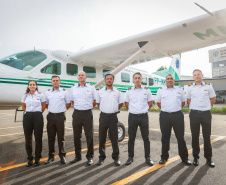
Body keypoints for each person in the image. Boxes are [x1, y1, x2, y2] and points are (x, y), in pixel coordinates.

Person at [156, 74, 191, 165]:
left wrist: (174, 109)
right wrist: (167, 110)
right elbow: (158, 103)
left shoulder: (179, 90)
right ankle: (164, 157)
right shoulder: (160, 90)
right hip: (164, 116)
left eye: (171, 79)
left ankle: (184, 158)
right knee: (165, 137)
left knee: (180, 137)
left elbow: (183, 102)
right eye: (168, 79)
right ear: (165, 81)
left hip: (177, 115)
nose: (169, 80)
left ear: (174, 81)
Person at [187, 69, 216, 167]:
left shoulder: (208, 86)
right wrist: (196, 108)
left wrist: (204, 107)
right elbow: (188, 100)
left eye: (198, 74)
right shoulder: (190, 88)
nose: (197, 76)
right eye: (195, 75)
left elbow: (212, 99)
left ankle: (209, 158)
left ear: (202, 75)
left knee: (207, 137)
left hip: (206, 114)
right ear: (193, 77)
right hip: (194, 114)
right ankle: (195, 157)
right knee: (194, 137)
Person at [124, 72, 154, 166]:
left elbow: (150, 103)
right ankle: (130, 157)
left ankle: (148, 157)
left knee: (146, 138)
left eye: (139, 78)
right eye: (135, 78)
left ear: (141, 79)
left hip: (143, 116)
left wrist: (143, 110)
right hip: (132, 116)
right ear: (133, 79)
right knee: (131, 138)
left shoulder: (146, 90)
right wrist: (134, 110)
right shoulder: (129, 91)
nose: (137, 79)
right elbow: (126, 103)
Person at [96, 74, 124, 166]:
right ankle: (101, 157)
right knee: (102, 138)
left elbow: (120, 104)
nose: (109, 80)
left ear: (113, 81)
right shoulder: (100, 92)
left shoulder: (117, 92)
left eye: (110, 79)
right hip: (103, 116)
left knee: (114, 138)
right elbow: (98, 103)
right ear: (105, 80)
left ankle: (116, 157)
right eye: (107, 79)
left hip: (113, 117)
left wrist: (113, 109)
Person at [70, 71, 96, 165]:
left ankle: (90, 157)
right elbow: (72, 101)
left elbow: (94, 101)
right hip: (77, 114)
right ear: (77, 77)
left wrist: (87, 108)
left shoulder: (91, 87)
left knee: (89, 136)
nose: (81, 76)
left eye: (82, 75)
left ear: (86, 77)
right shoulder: (73, 88)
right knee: (77, 136)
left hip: (87, 114)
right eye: (79, 75)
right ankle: (78, 156)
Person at [44, 76, 71, 165]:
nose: (55, 82)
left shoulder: (64, 92)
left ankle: (62, 156)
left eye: (57, 81)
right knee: (51, 137)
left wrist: (62, 110)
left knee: (61, 137)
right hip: (51, 116)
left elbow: (68, 103)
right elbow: (46, 104)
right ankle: (50, 156)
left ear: (59, 82)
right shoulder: (47, 93)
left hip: (60, 116)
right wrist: (53, 111)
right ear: (51, 82)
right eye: (53, 81)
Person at [21, 80, 45, 167]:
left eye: (33, 84)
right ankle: (30, 159)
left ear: (36, 86)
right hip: (27, 117)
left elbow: (43, 106)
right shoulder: (25, 96)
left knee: (38, 138)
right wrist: (29, 113)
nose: (32, 86)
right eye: (30, 85)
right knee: (28, 138)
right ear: (28, 86)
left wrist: (37, 113)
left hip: (38, 116)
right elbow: (23, 106)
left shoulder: (40, 95)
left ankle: (37, 158)